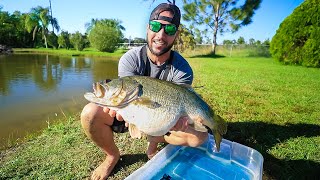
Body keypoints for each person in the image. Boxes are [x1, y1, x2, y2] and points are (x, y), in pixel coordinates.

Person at [80, 2, 208, 180]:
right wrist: (118, 107)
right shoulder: (130, 59)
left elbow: (184, 105)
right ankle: (112, 155)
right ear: (148, 28)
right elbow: (126, 102)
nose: (161, 35)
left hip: (166, 118)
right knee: (90, 113)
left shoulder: (182, 70)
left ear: (176, 35)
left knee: (199, 138)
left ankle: (154, 140)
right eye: (156, 26)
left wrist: (182, 122)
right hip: (131, 114)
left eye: (169, 30)